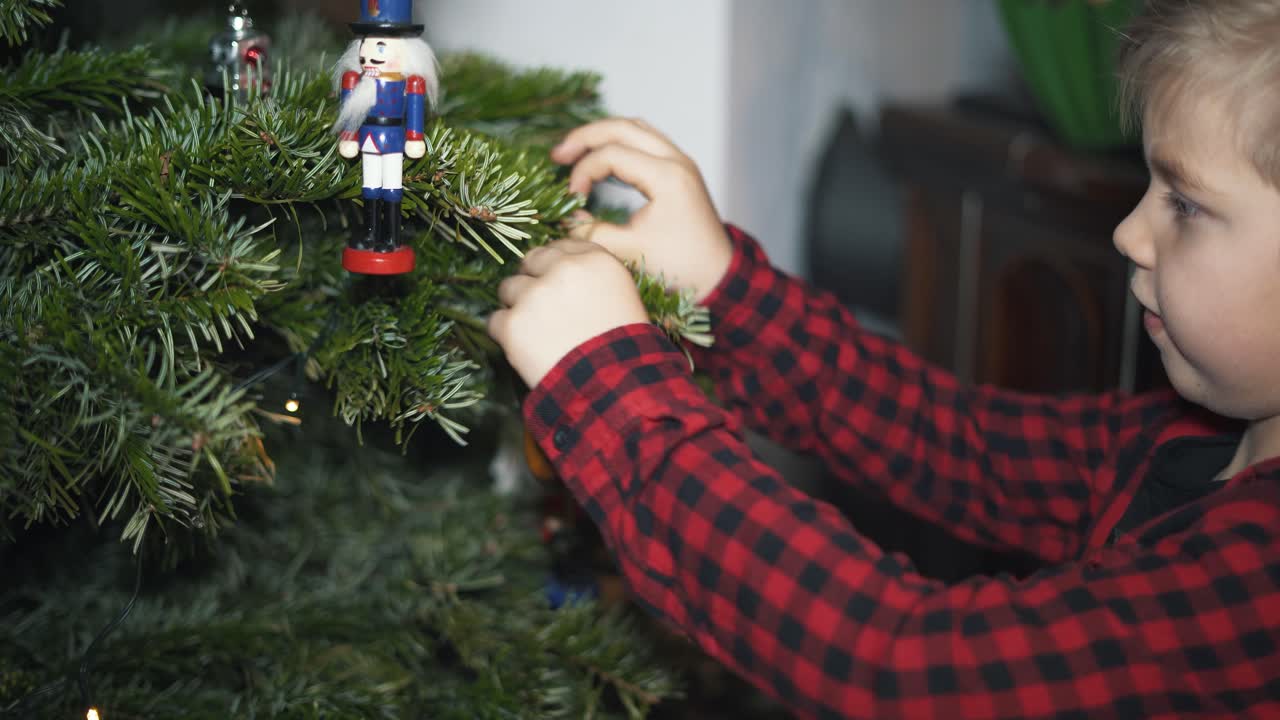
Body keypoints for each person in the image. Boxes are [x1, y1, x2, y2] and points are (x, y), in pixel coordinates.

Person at [486, 1, 1280, 717]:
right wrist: (726, 291)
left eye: (1185, 204)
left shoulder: (1259, 579)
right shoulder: (1183, 441)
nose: (1130, 234)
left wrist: (613, 398)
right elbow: (960, 445)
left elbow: (903, 666)